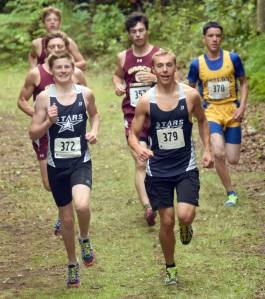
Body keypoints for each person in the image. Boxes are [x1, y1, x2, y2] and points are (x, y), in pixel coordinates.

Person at [128, 50, 213, 285]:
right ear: (153, 70)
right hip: (158, 169)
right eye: (160, 66)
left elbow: (203, 121)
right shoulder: (146, 101)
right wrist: (139, 148)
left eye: (169, 65)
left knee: (185, 216)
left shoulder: (190, 95)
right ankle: (170, 267)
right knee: (166, 222)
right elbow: (132, 134)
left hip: (185, 165)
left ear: (176, 67)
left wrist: (208, 149)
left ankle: (187, 226)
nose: (164, 70)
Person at [29, 52, 99, 288]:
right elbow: (33, 133)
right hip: (56, 165)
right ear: (51, 70)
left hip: (80, 160)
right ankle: (72, 263)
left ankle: (85, 238)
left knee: (82, 205)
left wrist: (94, 131)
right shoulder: (43, 98)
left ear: (72, 68)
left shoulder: (85, 93)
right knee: (67, 220)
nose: (63, 71)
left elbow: (95, 115)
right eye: (58, 67)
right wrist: (48, 121)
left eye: (67, 66)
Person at [18, 31, 87, 234]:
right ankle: (64, 207)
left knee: (72, 176)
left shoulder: (74, 73)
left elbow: (86, 99)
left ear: (66, 49)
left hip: (68, 133)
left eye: (60, 47)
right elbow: (21, 100)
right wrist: (40, 116)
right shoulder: (36, 74)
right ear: (45, 50)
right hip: (45, 133)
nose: (56, 50)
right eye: (52, 47)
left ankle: (64, 214)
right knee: (49, 184)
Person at [187, 21, 248, 206]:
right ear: (204, 38)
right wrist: (195, 112)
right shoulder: (197, 64)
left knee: (233, 159)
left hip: (232, 112)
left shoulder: (233, 58)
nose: (214, 39)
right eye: (210, 36)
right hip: (211, 112)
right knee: (219, 153)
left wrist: (242, 107)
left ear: (221, 38)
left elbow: (244, 83)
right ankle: (231, 193)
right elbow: (190, 90)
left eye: (217, 35)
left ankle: (216, 148)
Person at [112, 11, 159, 226]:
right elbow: (117, 75)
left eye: (141, 30)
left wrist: (156, 77)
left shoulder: (160, 54)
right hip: (132, 116)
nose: (138, 34)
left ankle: (158, 194)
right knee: (141, 161)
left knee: (157, 162)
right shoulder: (123, 56)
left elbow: (176, 80)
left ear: (147, 30)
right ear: (129, 34)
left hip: (158, 115)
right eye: (134, 31)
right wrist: (118, 85)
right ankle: (148, 207)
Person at [29, 6, 86, 71]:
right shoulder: (37, 43)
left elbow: (83, 63)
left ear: (59, 23)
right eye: (48, 20)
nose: (52, 22)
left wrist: (64, 66)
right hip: (44, 80)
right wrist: (33, 68)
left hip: (63, 78)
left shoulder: (68, 42)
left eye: (55, 20)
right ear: (43, 23)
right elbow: (32, 56)